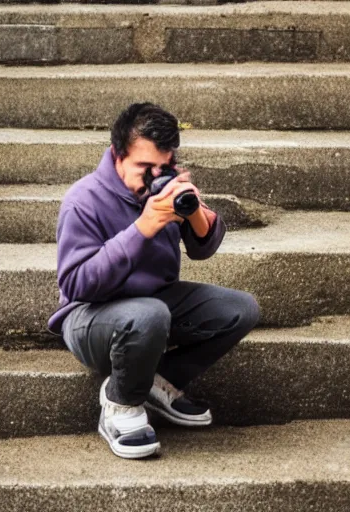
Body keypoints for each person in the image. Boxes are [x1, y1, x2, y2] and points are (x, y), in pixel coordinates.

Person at [47, 103, 260, 459]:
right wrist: (142, 228)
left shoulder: (162, 189)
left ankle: (155, 381)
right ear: (117, 156)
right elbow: (77, 285)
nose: (153, 176)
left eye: (163, 167)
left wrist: (195, 213)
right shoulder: (83, 201)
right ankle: (120, 404)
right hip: (91, 317)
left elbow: (203, 250)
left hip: (156, 304)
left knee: (240, 309)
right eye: (144, 168)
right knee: (148, 314)